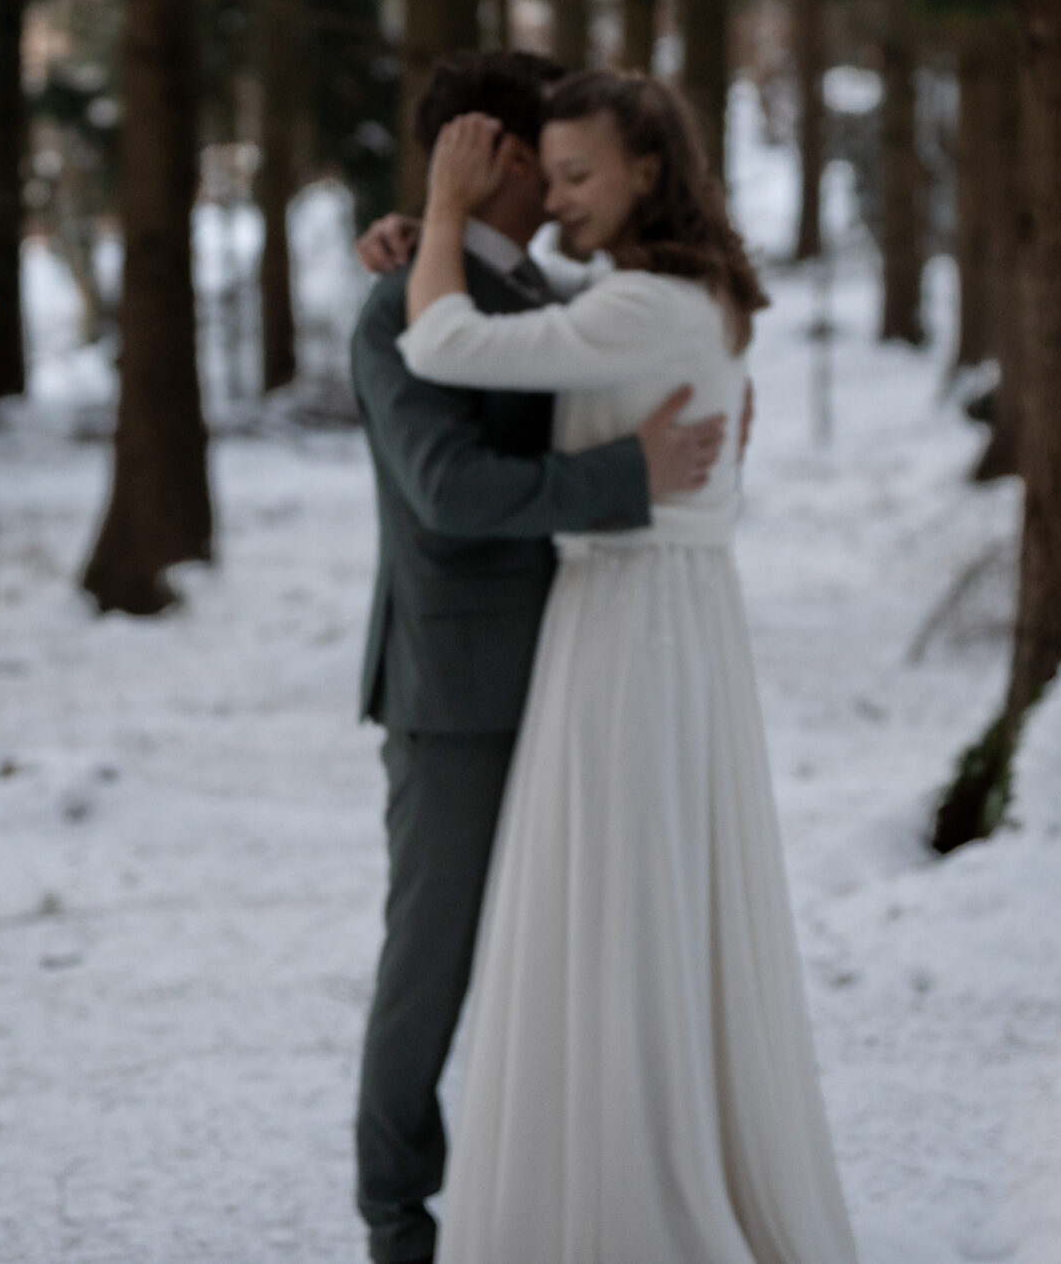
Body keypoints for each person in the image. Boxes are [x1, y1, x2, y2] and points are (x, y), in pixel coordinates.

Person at [397, 71, 858, 1264]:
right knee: (636, 894)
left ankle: (631, 1193)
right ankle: (633, 1159)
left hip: (629, 616)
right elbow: (541, 309)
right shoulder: (662, 293)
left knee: (621, 897)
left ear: (648, 172)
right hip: (655, 610)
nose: (555, 202)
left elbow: (444, 338)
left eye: (579, 176)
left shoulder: (645, 303)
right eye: (544, 176)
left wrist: (442, 216)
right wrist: (422, 239)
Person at [350, 52, 730, 1264]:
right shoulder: (397, 301)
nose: (567, 189)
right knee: (432, 970)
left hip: (584, 678)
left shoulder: (539, 294)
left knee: (570, 952)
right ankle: (399, 1224)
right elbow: (448, 489)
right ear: (497, 157)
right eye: (549, 161)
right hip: (460, 695)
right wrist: (628, 478)